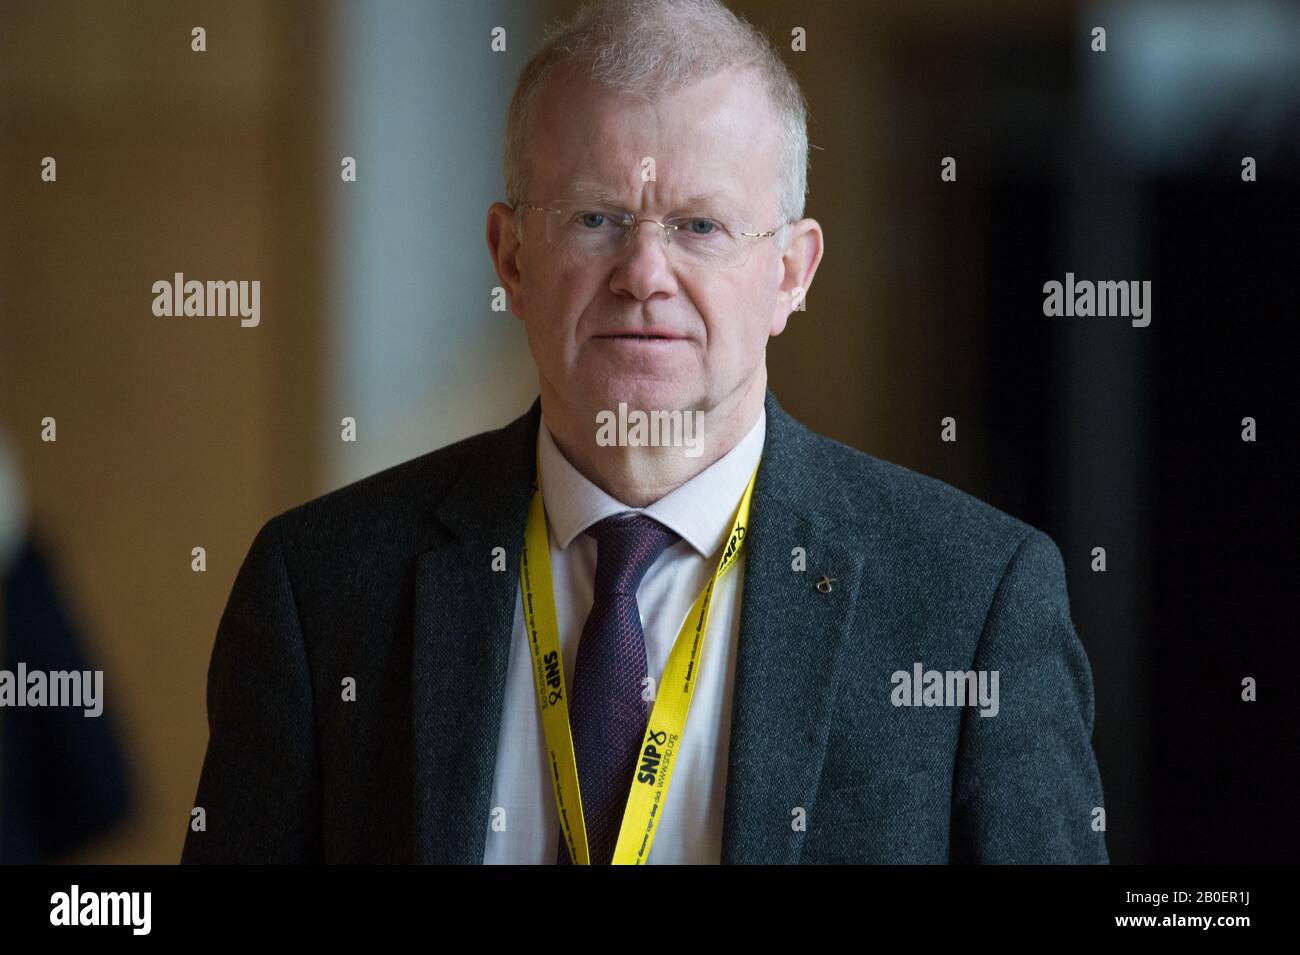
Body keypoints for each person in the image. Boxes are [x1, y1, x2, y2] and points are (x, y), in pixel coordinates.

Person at [182, 0, 1107, 864]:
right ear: (510, 255)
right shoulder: (323, 588)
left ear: (791, 270)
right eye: (596, 219)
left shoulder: (971, 603)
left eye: (701, 225)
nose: (644, 273)